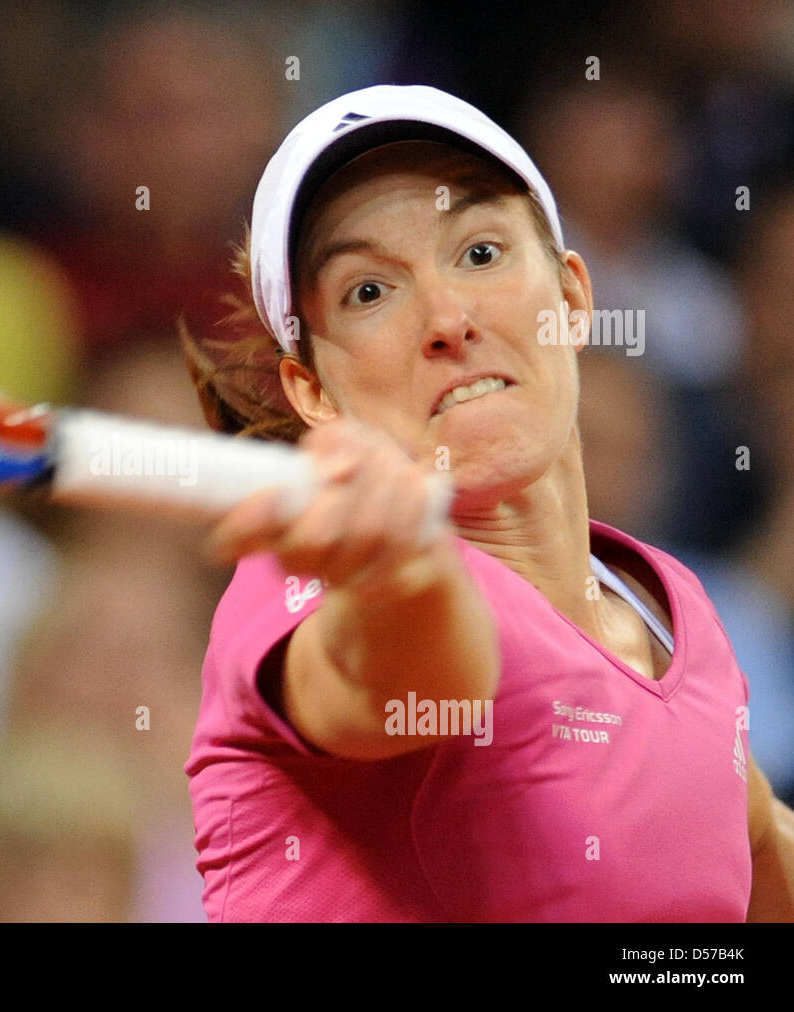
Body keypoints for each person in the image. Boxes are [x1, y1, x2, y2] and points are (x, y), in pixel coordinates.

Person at [183, 84, 794, 922]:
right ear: (313, 392)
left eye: (479, 253)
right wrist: (401, 573)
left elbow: (751, 843)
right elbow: (417, 678)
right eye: (369, 291)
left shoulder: (670, 607)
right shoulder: (320, 586)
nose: (447, 318)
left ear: (574, 300)